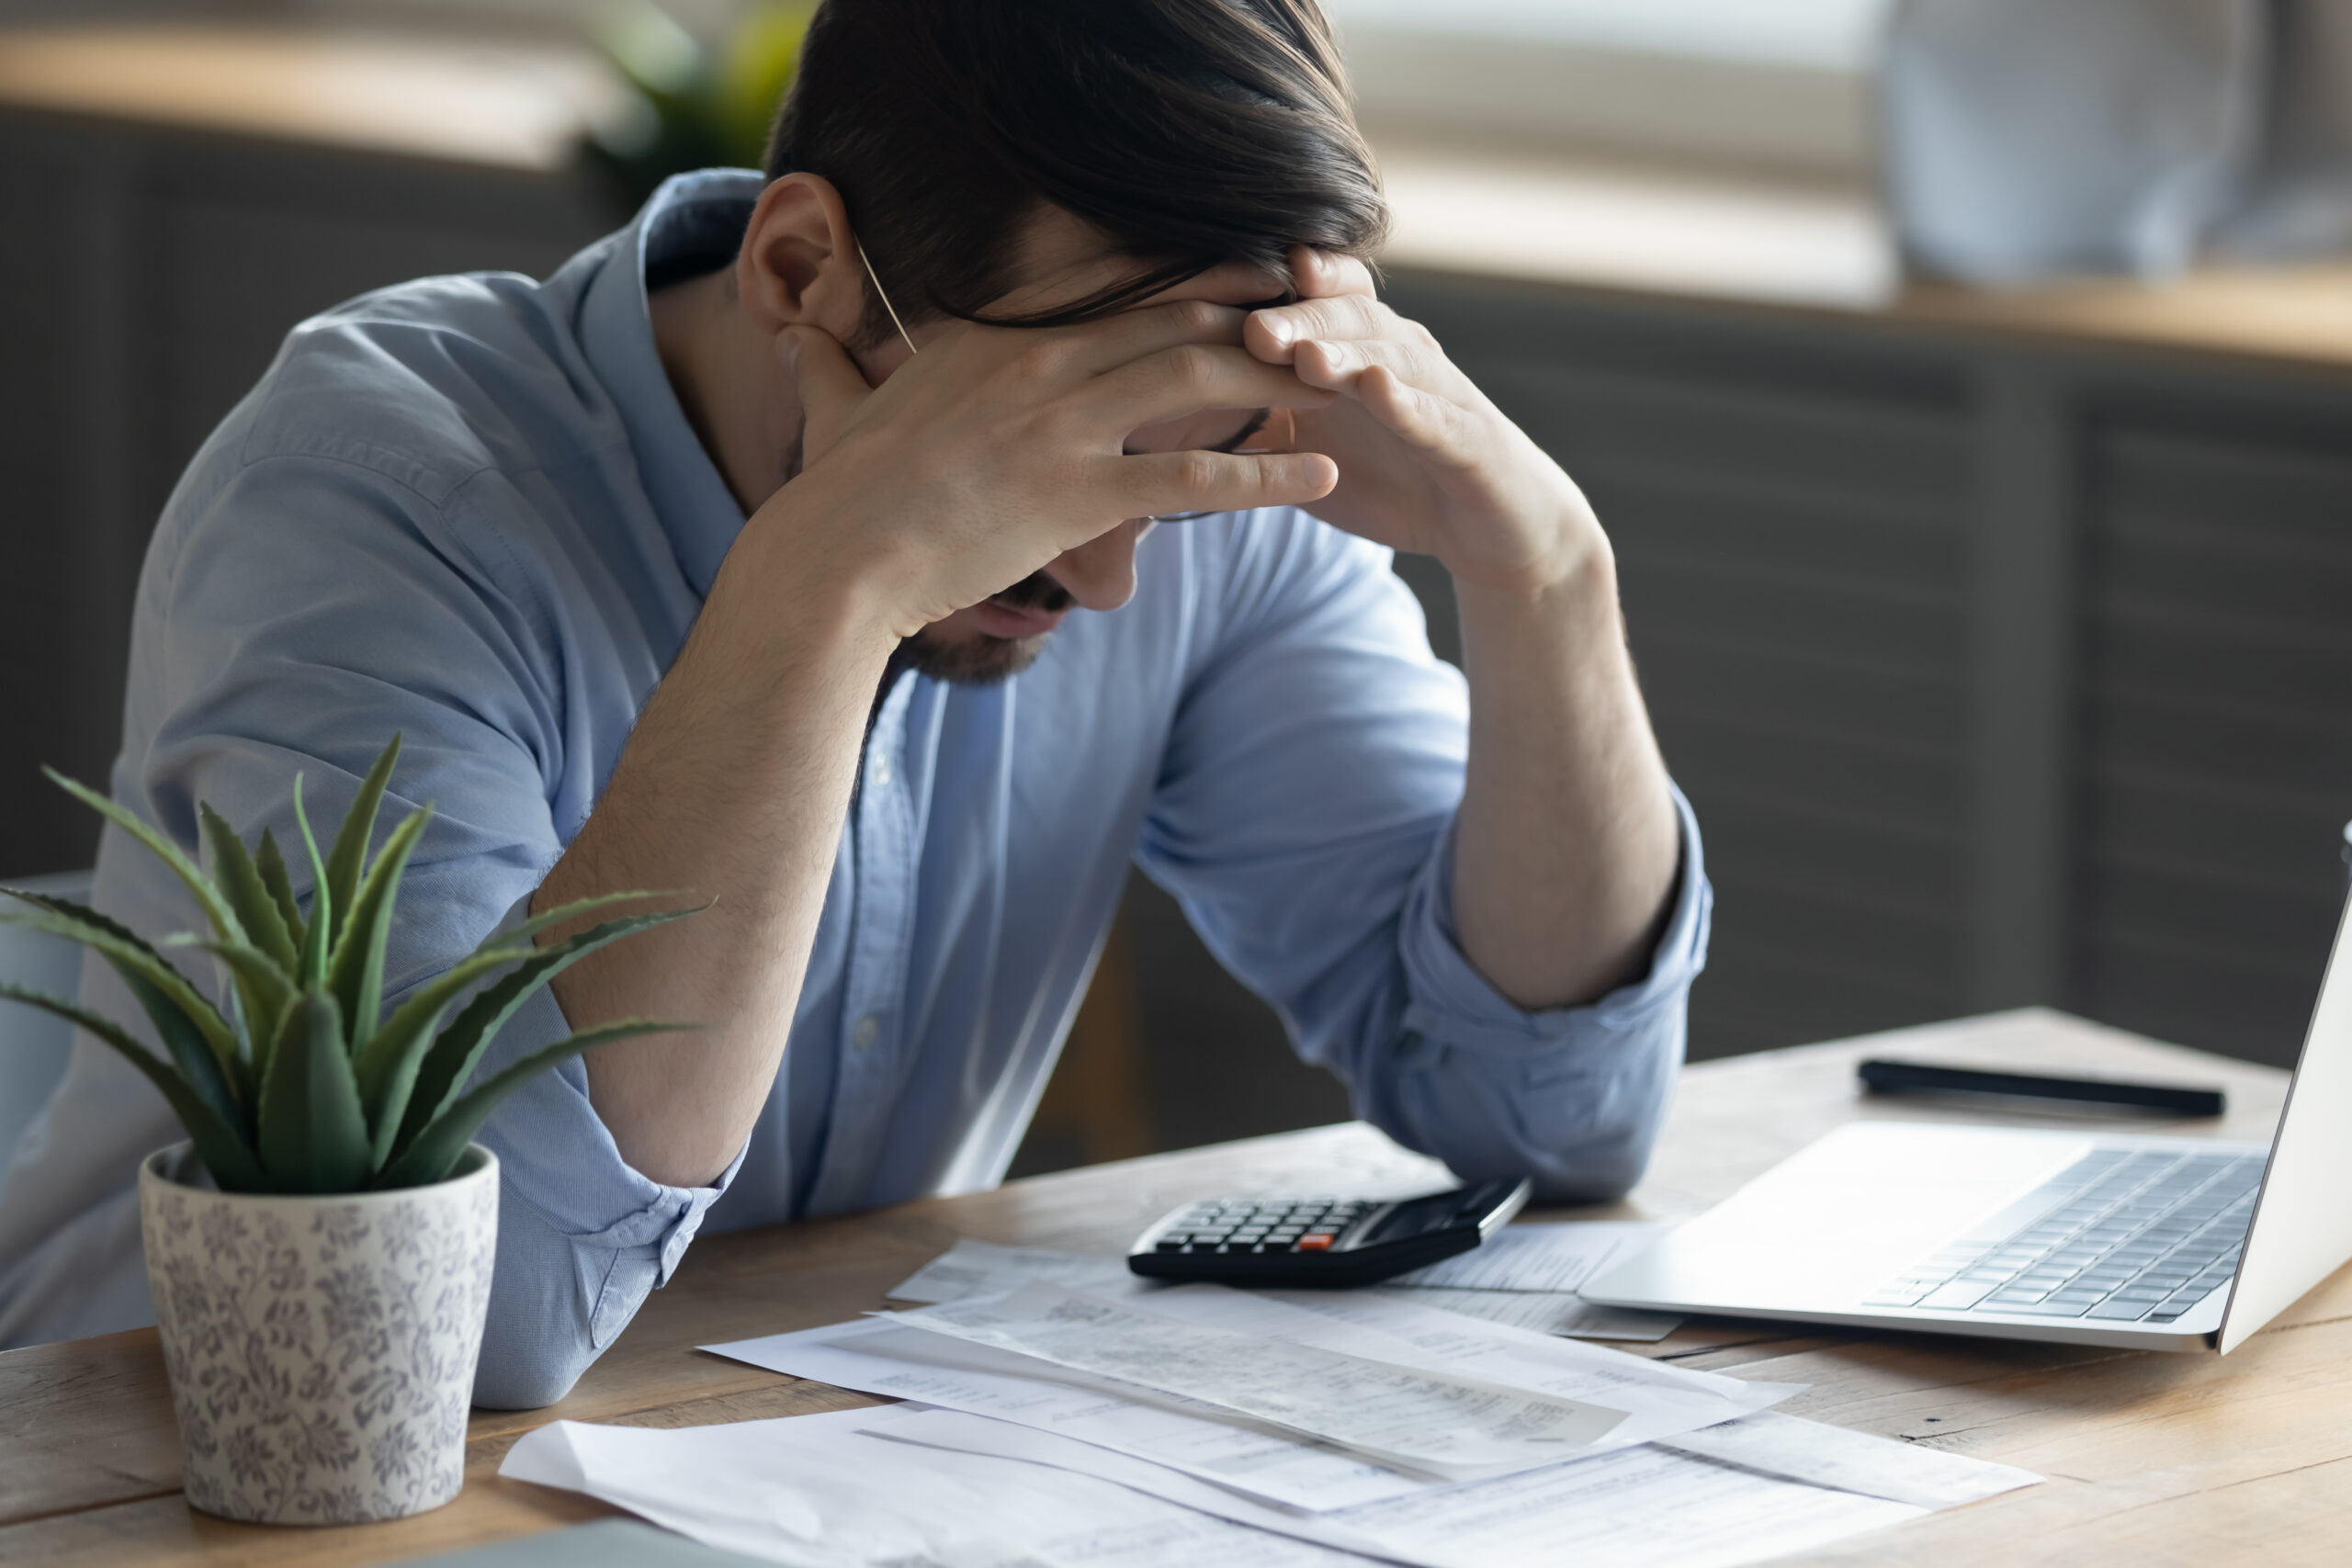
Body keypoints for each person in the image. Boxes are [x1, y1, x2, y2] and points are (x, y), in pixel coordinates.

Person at [0, 0, 1709, 1404]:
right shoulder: (376, 496)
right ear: (804, 270)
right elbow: (468, 1317)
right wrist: (825, 585)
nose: (1117, 578)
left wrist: (1548, 572)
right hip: (178, 1483)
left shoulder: (1204, 512)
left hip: (772, 1455)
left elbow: (1549, 1115)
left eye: (1183, 455)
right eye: (1054, 446)